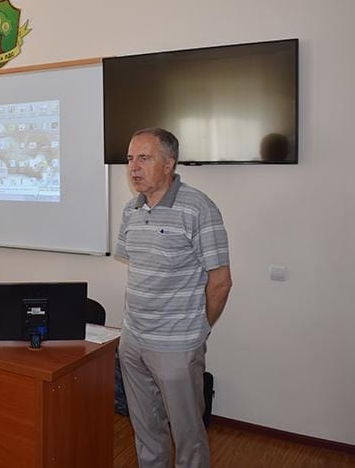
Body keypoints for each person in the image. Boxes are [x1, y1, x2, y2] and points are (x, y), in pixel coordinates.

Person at [115, 128, 232, 468]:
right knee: (145, 426)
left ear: (169, 164)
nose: (134, 167)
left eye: (144, 158)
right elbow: (140, 268)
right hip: (133, 339)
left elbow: (221, 282)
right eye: (130, 159)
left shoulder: (198, 208)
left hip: (177, 344)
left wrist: (198, 329)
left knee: (187, 433)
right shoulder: (131, 209)